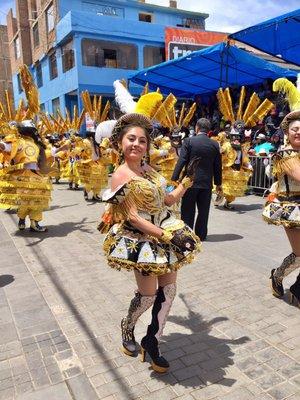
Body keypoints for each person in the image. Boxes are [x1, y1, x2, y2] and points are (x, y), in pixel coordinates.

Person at [99, 113, 200, 373]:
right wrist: (168, 236)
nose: (137, 144)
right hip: (141, 241)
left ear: (147, 145)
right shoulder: (120, 176)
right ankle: (128, 325)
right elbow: (133, 217)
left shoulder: (150, 170)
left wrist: (186, 182)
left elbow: (166, 202)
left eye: (142, 140)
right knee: (147, 296)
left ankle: (152, 341)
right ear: (120, 142)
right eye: (131, 138)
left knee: (168, 291)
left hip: (165, 234)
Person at [263, 109, 300, 306]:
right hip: (292, 208)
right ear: (288, 132)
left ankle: (297, 289)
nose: (299, 132)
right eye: (295, 129)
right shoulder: (285, 154)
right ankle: (277, 276)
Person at [171, 117, 222, 241]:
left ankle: (187, 235)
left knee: (188, 209)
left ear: (197, 128)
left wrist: (174, 177)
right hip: (206, 183)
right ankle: (201, 235)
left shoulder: (188, 141)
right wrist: (218, 183)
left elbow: (182, 160)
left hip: (190, 181)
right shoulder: (214, 144)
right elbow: (217, 165)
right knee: (203, 211)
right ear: (208, 130)